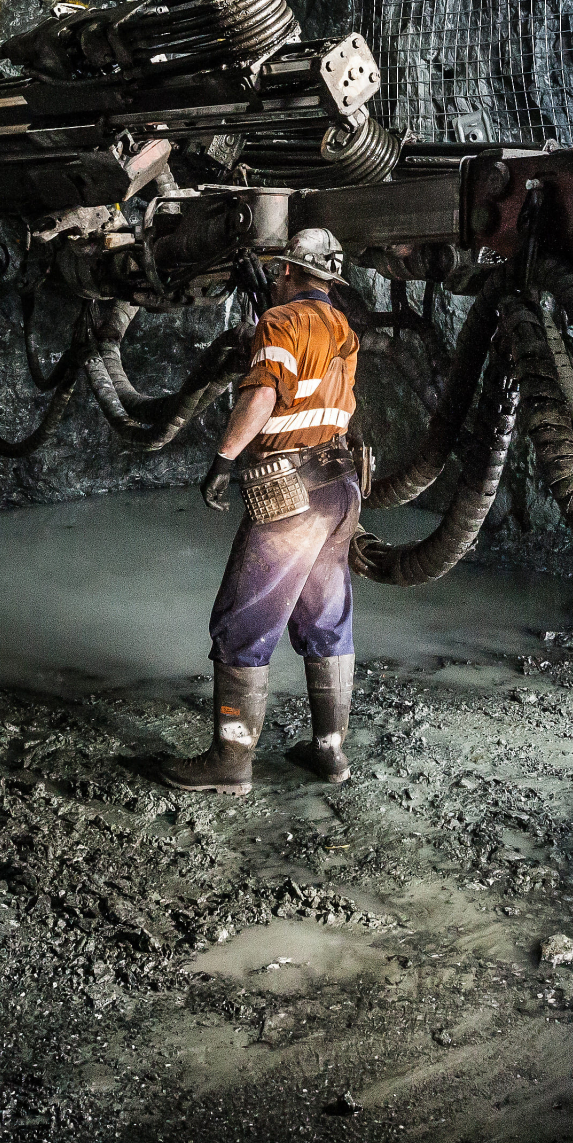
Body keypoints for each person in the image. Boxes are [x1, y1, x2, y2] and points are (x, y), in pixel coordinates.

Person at [159, 227, 362, 795]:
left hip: (292, 493)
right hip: (340, 487)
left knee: (242, 622)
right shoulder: (341, 326)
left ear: (290, 272)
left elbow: (265, 391)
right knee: (325, 618)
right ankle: (330, 752)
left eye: (281, 272)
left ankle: (230, 761)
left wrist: (223, 459)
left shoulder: (282, 322)